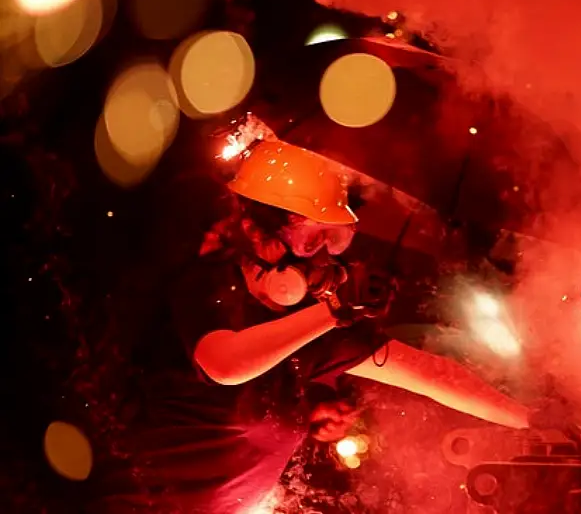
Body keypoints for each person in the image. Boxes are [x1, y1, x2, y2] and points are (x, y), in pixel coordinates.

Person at [89, 129, 530, 513]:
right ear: (259, 228)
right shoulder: (206, 286)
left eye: (331, 239)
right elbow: (225, 365)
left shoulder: (308, 324)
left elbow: (432, 374)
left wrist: (534, 419)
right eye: (311, 236)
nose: (321, 255)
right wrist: (333, 312)